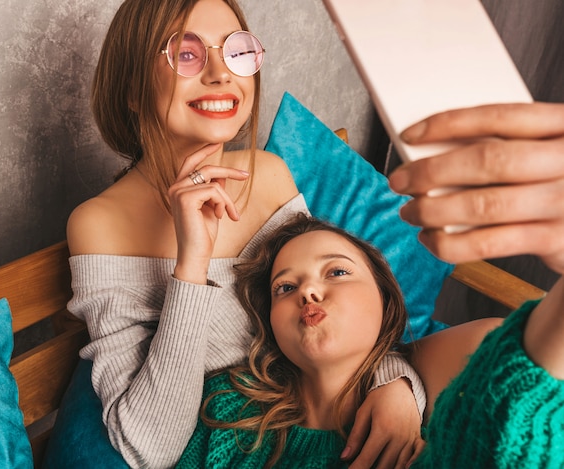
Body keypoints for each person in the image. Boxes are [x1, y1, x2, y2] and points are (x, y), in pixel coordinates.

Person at [66, 0, 426, 467]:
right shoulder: (99, 225)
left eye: (236, 52)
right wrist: (192, 262)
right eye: (188, 53)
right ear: (132, 87)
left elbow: (337, 309)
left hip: (340, 426)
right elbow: (149, 448)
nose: (222, 74)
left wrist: (395, 384)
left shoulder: (269, 175)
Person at [177, 213, 564, 468]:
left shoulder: (429, 419)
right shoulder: (228, 409)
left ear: (385, 300)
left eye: (337, 272)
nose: (308, 290)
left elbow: (522, 380)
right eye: (286, 286)